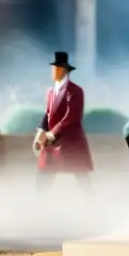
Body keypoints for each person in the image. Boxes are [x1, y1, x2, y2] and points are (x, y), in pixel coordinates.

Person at [32, 51, 93, 190]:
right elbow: (48, 114)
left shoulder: (75, 91)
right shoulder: (50, 92)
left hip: (70, 142)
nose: (52, 71)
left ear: (63, 70)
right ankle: (38, 205)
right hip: (52, 144)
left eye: (56, 68)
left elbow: (71, 116)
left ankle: (92, 204)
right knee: (43, 177)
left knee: (81, 177)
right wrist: (40, 133)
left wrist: (52, 133)